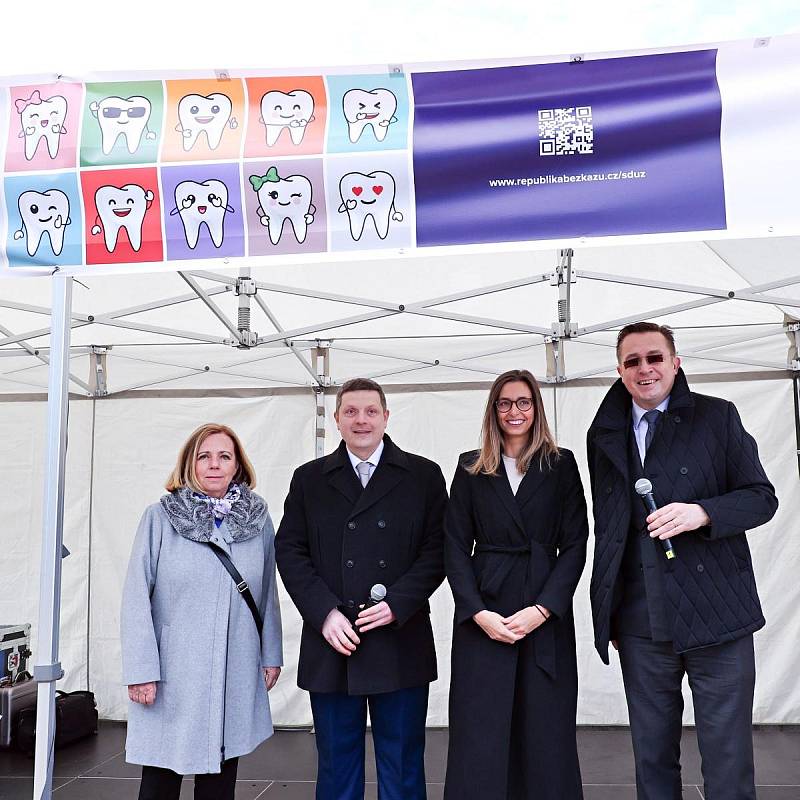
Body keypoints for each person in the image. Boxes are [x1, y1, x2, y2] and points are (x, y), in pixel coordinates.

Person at [587, 322, 778, 800]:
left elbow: (762, 498)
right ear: (619, 370)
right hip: (640, 621)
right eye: (632, 361)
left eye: (654, 358)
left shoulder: (718, 417)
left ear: (676, 362)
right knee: (651, 757)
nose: (644, 369)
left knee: (727, 756)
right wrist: (607, 604)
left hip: (718, 614)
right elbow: (607, 528)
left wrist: (703, 512)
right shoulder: (603, 432)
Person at [275, 377, 447, 800]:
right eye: (350, 411)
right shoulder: (309, 479)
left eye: (371, 411)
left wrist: (399, 604)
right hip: (333, 641)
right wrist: (324, 613)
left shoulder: (423, 475)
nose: (361, 420)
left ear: (386, 417)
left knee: (404, 763)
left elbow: (439, 549)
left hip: (399, 637)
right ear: (336, 420)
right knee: (336, 766)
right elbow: (290, 550)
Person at [444, 369, 588, 799]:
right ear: (493, 409)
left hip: (544, 613)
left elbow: (576, 544)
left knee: (545, 730)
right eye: (505, 403)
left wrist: (543, 609)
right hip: (485, 614)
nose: (514, 411)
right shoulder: (470, 467)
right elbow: (453, 546)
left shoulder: (561, 465)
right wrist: (478, 613)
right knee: (480, 731)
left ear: (536, 408)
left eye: (523, 402)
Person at [120, 423, 283, 800]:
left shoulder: (257, 521)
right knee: (163, 772)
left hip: (235, 666)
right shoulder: (160, 517)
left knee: (221, 776)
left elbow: (266, 592)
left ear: (237, 465)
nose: (214, 464)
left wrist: (270, 654)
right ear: (189, 463)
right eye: (204, 456)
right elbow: (135, 597)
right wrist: (141, 670)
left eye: (224, 456)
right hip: (174, 672)